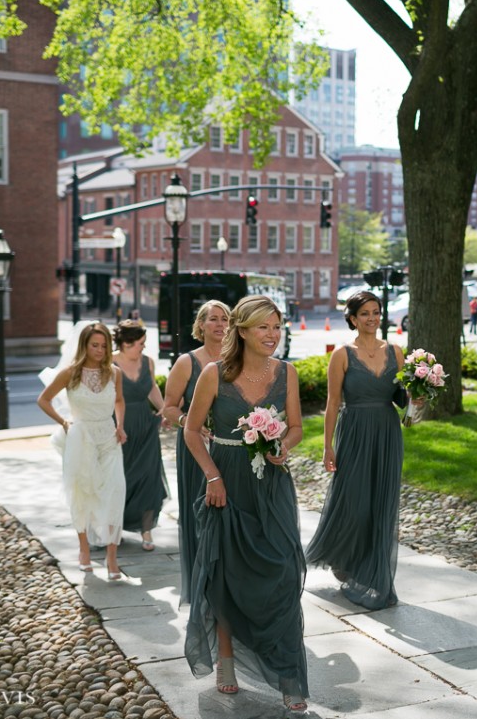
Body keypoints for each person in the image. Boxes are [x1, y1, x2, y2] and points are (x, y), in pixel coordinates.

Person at [182, 295, 309, 714]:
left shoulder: (286, 372)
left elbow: (295, 427)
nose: (273, 335)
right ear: (242, 331)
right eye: (263, 328)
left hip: (271, 484)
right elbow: (192, 430)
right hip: (227, 480)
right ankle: (227, 660)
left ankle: (289, 672)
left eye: (277, 327)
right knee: (226, 573)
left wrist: (284, 447)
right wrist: (212, 477)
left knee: (285, 574)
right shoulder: (214, 374)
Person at [305, 291, 405, 610]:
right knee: (354, 499)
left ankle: (374, 573)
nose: (372, 318)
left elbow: (401, 397)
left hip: (388, 432)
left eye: (376, 312)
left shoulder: (397, 352)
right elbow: (333, 403)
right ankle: (342, 557)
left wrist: (418, 399)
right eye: (365, 313)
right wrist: (327, 446)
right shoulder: (342, 355)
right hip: (355, 432)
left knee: (382, 502)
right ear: (352, 319)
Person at [37, 321, 127, 581]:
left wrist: (120, 425)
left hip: (109, 438)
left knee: (113, 494)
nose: (99, 350)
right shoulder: (70, 373)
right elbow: (43, 399)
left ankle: (112, 557)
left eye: (103, 346)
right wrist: (64, 422)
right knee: (81, 494)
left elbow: (119, 400)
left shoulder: (114, 373)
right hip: (81, 437)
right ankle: (84, 550)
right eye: (94, 345)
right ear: (84, 346)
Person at [162, 300, 230, 604]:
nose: (219, 325)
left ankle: (229, 581)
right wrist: (188, 421)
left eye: (225, 319)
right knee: (200, 515)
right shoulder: (187, 362)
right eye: (213, 319)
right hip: (196, 447)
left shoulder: (236, 359)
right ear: (200, 325)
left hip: (231, 448)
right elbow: (169, 407)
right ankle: (202, 585)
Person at [113, 319, 169, 551]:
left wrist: (164, 409)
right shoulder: (109, 362)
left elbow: (151, 388)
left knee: (149, 479)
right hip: (119, 428)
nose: (143, 347)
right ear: (126, 343)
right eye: (140, 343)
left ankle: (146, 531)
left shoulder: (148, 362)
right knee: (120, 479)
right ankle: (115, 527)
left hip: (146, 427)